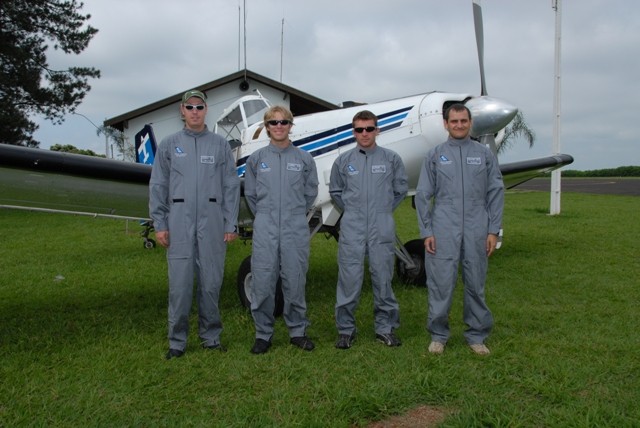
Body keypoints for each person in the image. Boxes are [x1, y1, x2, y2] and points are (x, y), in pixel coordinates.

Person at [149, 89, 240, 360]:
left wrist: (230, 223)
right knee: (179, 285)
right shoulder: (169, 145)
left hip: (212, 221)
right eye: (190, 107)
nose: (195, 112)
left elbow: (231, 185)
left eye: (199, 107)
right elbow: (158, 185)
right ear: (182, 110)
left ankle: (211, 337)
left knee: (211, 282)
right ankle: (177, 341)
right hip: (178, 221)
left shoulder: (220, 145)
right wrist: (160, 222)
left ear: (206, 110)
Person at [415, 103, 504, 356]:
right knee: (441, 284)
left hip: (477, 226)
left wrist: (493, 229)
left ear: (470, 122)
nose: (459, 125)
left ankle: (476, 335)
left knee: (475, 282)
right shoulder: (434, 155)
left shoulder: (484, 154)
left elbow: (495, 192)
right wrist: (427, 231)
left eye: (463, 121)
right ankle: (439, 335)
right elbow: (423, 195)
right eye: (454, 121)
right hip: (443, 225)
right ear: (446, 124)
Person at [329, 110, 408, 349]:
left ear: (377, 130)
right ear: (353, 132)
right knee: (349, 280)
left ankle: (385, 328)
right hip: (352, 227)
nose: (365, 133)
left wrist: (381, 210)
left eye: (369, 128)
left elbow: (400, 190)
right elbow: (336, 192)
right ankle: (345, 330)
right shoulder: (343, 161)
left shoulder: (391, 159)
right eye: (359, 129)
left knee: (383, 278)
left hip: (381, 226)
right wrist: (354, 211)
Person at [244, 105, 319, 354]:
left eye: (284, 122)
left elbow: (310, 193)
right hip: (265, 225)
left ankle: (297, 331)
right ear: (266, 128)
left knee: (295, 280)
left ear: (290, 126)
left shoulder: (304, 159)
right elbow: (251, 195)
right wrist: (267, 216)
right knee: (263, 282)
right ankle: (263, 334)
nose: (279, 127)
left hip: (294, 225)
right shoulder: (257, 160)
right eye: (273, 123)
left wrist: (293, 213)